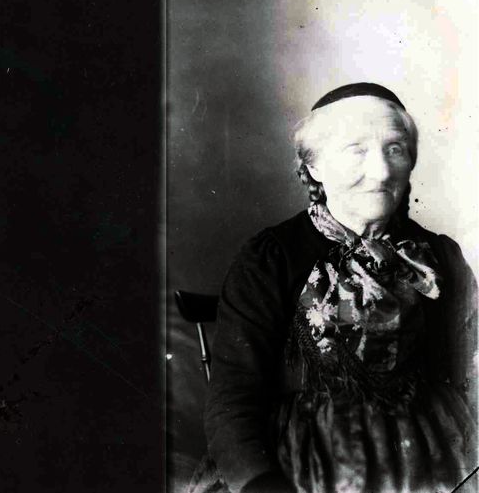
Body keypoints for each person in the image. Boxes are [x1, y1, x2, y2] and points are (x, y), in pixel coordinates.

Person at [196, 83, 477, 493]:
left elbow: (468, 374)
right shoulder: (271, 257)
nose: (382, 171)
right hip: (303, 464)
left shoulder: (439, 257)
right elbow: (233, 399)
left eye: (395, 148)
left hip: (431, 457)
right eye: (356, 150)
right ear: (315, 167)